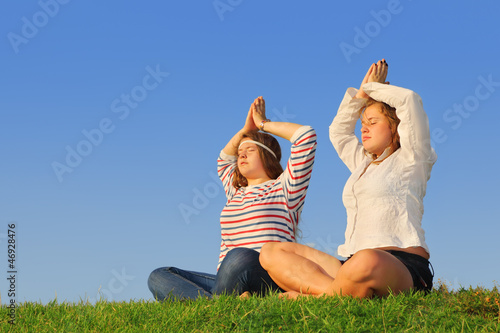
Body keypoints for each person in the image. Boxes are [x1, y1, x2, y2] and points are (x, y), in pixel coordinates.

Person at [259, 59, 437, 298]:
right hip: (351, 265)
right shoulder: (362, 163)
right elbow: (339, 131)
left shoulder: (412, 158)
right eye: (362, 123)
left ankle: (319, 296)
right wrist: (362, 93)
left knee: (366, 260)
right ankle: (332, 295)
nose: (363, 129)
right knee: (271, 252)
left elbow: (409, 101)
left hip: (400, 265)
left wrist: (374, 88)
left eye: (373, 122)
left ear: (395, 127)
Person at [148, 96, 317, 300]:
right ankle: (218, 304)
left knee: (239, 256)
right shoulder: (235, 191)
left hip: (268, 276)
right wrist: (245, 132)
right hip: (227, 280)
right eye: (240, 152)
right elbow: (223, 159)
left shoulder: (286, 188)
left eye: (250, 150)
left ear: (268, 156)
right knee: (159, 276)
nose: (241, 155)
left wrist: (263, 124)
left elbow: (305, 137)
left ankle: (217, 304)